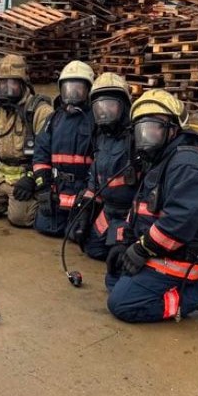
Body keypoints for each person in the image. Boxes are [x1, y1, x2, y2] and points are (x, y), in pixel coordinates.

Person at [106, 89, 198, 323]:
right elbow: (140, 210)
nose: (146, 136)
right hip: (162, 250)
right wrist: (124, 242)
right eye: (141, 130)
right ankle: (187, 287)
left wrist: (142, 249)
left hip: (181, 257)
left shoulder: (186, 165)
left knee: (122, 305)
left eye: (154, 128)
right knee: (113, 280)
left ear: (174, 129)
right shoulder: (162, 159)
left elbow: (179, 222)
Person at [0, 54, 53, 227]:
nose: (6, 89)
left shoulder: (40, 111)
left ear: (23, 84)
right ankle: (9, 201)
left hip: (25, 177)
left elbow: (49, 150)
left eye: (12, 83)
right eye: (2, 83)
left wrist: (31, 178)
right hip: (0, 178)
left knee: (19, 219)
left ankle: (29, 203)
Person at [29, 60, 96, 239]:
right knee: (45, 227)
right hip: (58, 187)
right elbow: (40, 155)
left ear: (88, 91)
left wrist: (90, 193)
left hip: (84, 189)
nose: (72, 94)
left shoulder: (95, 120)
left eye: (78, 89)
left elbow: (102, 163)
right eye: (68, 89)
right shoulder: (54, 119)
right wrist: (43, 189)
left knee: (77, 235)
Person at [81, 73, 137, 261]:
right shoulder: (101, 136)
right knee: (92, 249)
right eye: (99, 107)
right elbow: (95, 176)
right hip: (109, 209)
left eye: (110, 105)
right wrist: (86, 208)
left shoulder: (136, 138)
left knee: (118, 259)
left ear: (123, 106)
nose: (104, 112)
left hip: (130, 213)